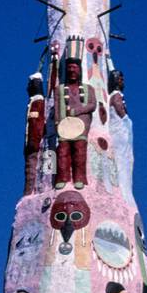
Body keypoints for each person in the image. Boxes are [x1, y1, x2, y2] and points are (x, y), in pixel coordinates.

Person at [54, 40, 96, 189]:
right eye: (69, 67)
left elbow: (92, 104)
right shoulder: (59, 89)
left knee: (79, 151)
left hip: (81, 124)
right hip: (65, 126)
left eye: (75, 67)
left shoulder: (88, 88)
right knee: (63, 151)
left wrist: (77, 111)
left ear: (80, 70)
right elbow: (58, 106)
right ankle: (62, 177)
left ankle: (80, 177)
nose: (72, 70)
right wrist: (59, 123)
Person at [23, 73, 46, 194]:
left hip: (35, 141)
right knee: (30, 167)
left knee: (33, 167)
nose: (28, 88)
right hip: (31, 142)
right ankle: (29, 190)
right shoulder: (33, 101)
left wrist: (35, 139)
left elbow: (38, 122)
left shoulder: (39, 101)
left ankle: (31, 190)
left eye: (31, 84)